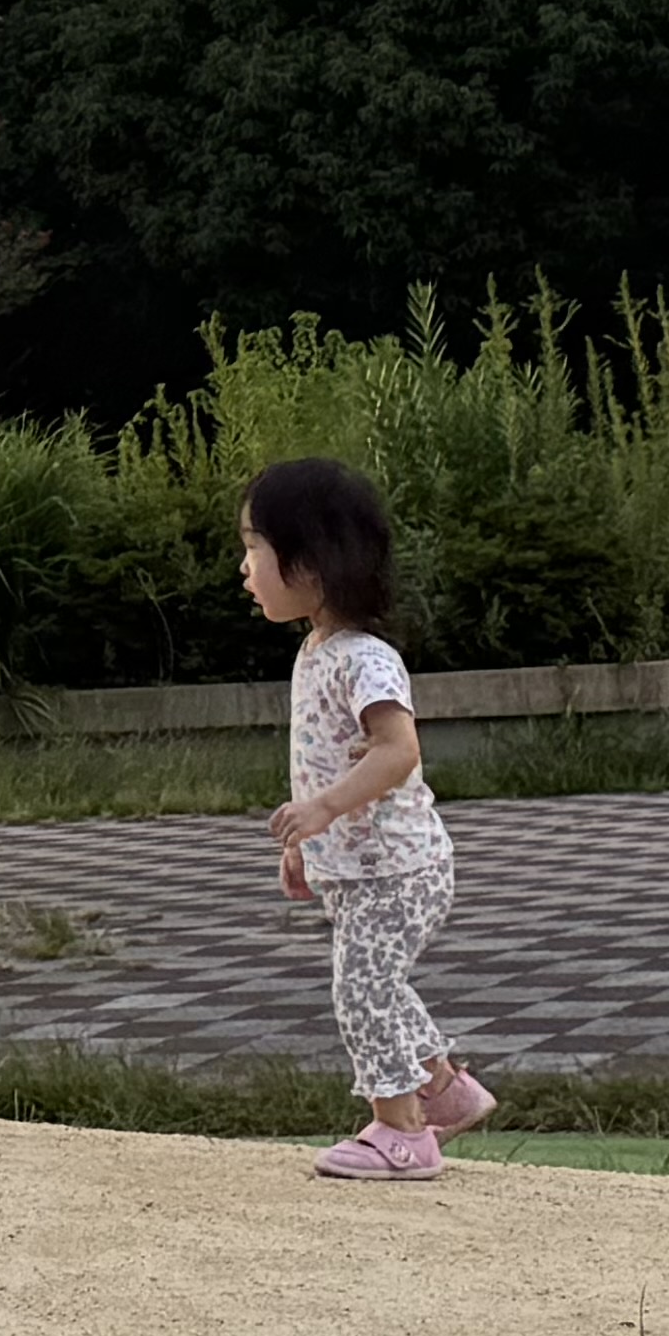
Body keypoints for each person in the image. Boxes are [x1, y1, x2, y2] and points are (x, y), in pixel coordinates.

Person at [245, 458, 491, 1182]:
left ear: (311, 564)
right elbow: (323, 760)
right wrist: (309, 844)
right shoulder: (316, 652)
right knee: (376, 983)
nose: (245, 568)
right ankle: (445, 1090)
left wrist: (322, 809)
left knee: (362, 990)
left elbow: (398, 749)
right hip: (361, 872)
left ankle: (403, 1132)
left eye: (256, 548)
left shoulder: (365, 659)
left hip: (400, 870)